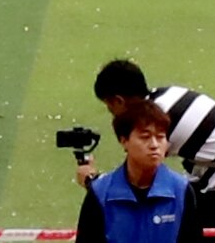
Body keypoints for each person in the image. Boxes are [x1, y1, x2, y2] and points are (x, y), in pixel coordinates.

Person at [91, 58, 215, 243]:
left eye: (110, 107)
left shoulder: (154, 119)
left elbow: (141, 179)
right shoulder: (165, 96)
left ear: (118, 101)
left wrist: (93, 181)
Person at [73, 98, 185, 243]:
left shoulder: (181, 190)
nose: (154, 145)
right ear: (124, 140)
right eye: (145, 137)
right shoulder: (100, 193)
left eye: (160, 137)